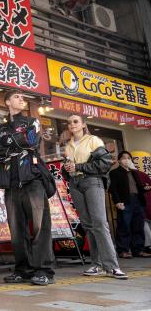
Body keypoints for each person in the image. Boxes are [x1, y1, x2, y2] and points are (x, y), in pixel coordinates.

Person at [0, 90, 55, 286]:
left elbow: (32, 142)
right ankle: (23, 269)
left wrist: (10, 145)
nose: (22, 100)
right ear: (7, 102)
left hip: (33, 179)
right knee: (17, 229)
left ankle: (44, 270)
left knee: (39, 226)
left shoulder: (32, 122)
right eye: (17, 97)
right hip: (10, 182)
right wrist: (17, 145)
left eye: (22, 97)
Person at [62, 114, 128, 279]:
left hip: (92, 182)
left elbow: (104, 163)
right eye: (69, 122)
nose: (72, 124)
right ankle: (97, 264)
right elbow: (68, 168)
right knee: (88, 225)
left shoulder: (93, 140)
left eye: (76, 121)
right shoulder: (68, 146)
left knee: (99, 222)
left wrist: (78, 166)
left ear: (83, 124)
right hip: (75, 184)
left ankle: (112, 266)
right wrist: (67, 168)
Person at [109, 151, 151, 259]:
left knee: (138, 226)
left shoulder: (134, 172)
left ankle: (138, 250)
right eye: (124, 158)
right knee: (124, 226)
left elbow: (139, 187)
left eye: (128, 158)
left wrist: (145, 188)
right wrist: (117, 202)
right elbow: (113, 189)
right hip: (125, 201)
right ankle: (123, 250)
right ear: (119, 160)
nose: (126, 160)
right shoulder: (115, 172)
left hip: (138, 200)